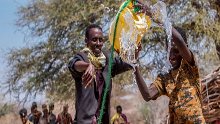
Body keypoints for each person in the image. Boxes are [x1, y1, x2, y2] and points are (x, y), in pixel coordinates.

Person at [134, 26, 206, 123]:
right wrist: (134, 64)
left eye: (176, 51)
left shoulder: (190, 66)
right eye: (169, 51)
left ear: (185, 48)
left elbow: (179, 40)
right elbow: (147, 95)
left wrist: (162, 21)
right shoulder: (164, 78)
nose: (171, 56)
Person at [68, 24, 132, 123]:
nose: (98, 43)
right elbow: (74, 65)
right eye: (94, 40)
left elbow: (128, 63)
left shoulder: (107, 62)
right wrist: (87, 66)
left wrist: (134, 52)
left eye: (101, 40)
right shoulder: (82, 57)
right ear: (86, 41)